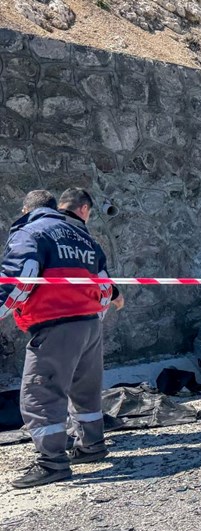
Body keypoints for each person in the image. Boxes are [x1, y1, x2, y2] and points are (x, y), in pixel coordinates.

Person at [0, 188, 121, 488]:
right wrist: (92, 317)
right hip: (89, 325)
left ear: (27, 210)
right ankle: (91, 446)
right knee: (85, 391)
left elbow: (20, 279)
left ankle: (52, 462)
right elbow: (105, 287)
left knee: (39, 395)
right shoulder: (85, 238)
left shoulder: (31, 231)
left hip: (54, 323)